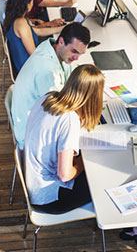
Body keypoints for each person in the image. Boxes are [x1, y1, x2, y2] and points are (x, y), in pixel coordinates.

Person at [24, 64, 103, 214]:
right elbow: (64, 175)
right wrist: (81, 164)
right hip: (50, 198)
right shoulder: (69, 119)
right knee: (102, 175)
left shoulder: (48, 98)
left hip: (34, 183)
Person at [10, 22, 90, 149]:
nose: (76, 58)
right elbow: (58, 112)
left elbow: (68, 83)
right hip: (31, 136)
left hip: (37, 118)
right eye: (74, 51)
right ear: (61, 41)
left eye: (80, 53)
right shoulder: (47, 71)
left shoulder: (52, 48)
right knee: (85, 141)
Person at [3, 0, 65, 73]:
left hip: (25, 64)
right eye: (32, 1)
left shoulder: (15, 18)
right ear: (26, 4)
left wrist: (63, 28)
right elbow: (34, 53)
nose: (33, 3)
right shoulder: (21, 23)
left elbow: (39, 31)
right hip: (28, 69)